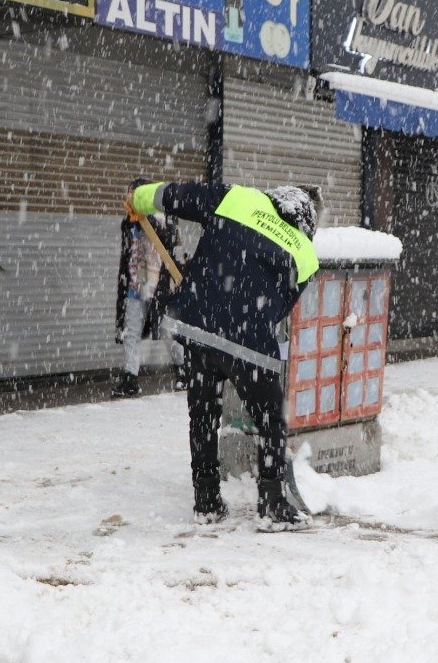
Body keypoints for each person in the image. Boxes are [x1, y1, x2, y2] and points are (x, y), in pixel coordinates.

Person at [126, 179, 319, 529]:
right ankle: (272, 503)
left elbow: (176, 196)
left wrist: (138, 198)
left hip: (197, 327)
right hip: (250, 342)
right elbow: (278, 310)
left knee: (203, 415)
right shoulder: (305, 254)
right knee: (271, 421)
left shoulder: (238, 198)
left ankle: (206, 500)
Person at [113, 201, 184, 398]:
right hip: (135, 287)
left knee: (168, 330)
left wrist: (148, 219)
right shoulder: (131, 222)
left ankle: (183, 370)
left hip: (158, 288)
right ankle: (130, 378)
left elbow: (171, 242)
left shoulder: (166, 219)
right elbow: (127, 254)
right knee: (131, 332)